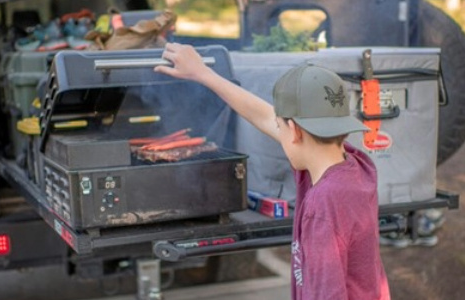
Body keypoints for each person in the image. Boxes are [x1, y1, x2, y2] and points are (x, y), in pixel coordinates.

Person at [155, 43, 390, 300]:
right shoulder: (354, 165)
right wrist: (203, 74)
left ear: (295, 131)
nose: (275, 129)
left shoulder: (323, 204)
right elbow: (266, 117)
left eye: (280, 127)